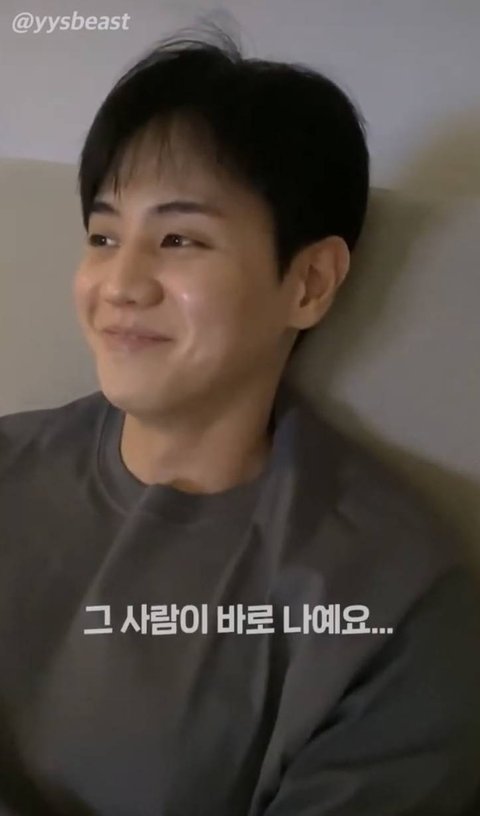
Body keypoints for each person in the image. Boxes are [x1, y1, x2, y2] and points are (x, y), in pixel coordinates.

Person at [1, 24, 479, 816]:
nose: (119, 284)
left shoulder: (393, 601)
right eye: (103, 235)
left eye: (179, 238)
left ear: (310, 283)